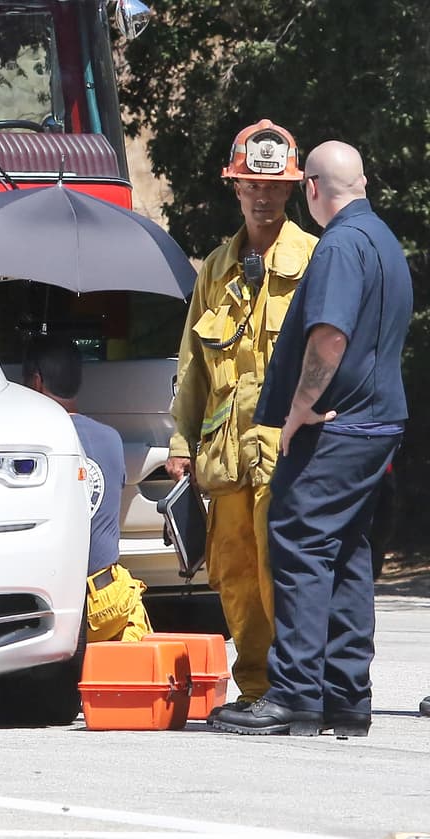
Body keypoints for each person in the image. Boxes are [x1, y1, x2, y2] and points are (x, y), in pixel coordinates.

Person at [212, 141, 411, 737]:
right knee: (346, 551)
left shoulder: (340, 246)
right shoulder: (384, 240)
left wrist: (299, 410)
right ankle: (346, 698)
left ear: (312, 190)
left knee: (297, 543)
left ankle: (296, 694)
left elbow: (329, 337)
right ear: (365, 182)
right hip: (376, 422)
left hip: (338, 424)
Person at [166, 119, 317, 714]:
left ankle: (296, 687)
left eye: (274, 187)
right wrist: (180, 442)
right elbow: (193, 366)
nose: (262, 196)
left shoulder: (314, 259)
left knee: (282, 572)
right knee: (233, 573)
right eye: (251, 185)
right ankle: (256, 689)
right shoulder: (215, 270)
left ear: (292, 191)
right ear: (234, 188)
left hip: (286, 452)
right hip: (226, 455)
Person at [23, 336, 152, 642]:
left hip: (49, 609)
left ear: (37, 382)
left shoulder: (26, 443)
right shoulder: (111, 439)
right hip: (108, 602)